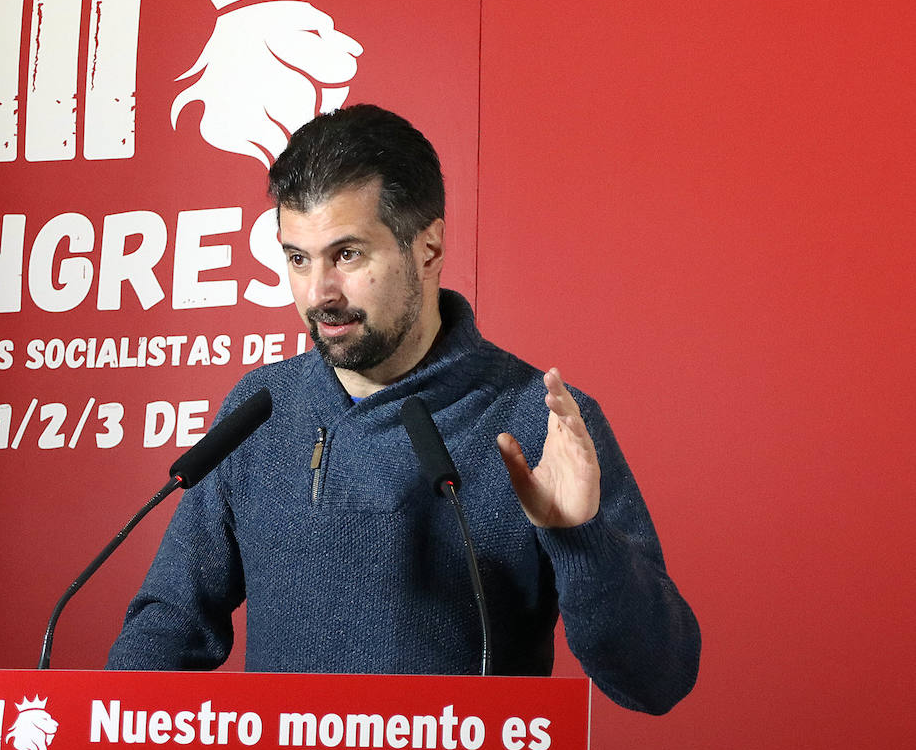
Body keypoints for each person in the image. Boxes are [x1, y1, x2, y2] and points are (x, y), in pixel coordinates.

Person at [107, 104, 699, 715]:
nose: (318, 294)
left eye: (347, 255)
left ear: (429, 249)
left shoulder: (535, 423)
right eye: (297, 258)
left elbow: (658, 679)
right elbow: (168, 629)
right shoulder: (261, 412)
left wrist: (581, 539)